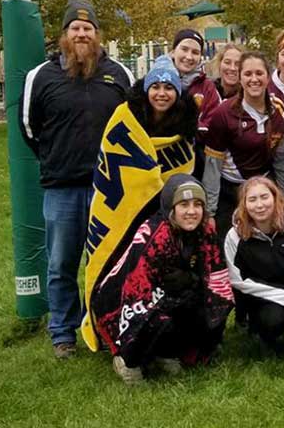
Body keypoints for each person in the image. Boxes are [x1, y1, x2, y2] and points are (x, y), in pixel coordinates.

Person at [20, 0, 134, 358]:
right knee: (61, 264)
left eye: (88, 28)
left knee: (108, 262)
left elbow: (133, 124)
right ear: (64, 35)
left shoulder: (119, 74)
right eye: (75, 28)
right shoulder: (40, 76)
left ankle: (102, 326)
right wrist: (57, 158)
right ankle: (63, 333)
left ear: (97, 35)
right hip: (62, 188)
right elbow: (29, 128)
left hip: (109, 189)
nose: (81, 33)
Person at [81, 59, 200, 351]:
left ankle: (156, 335)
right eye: (155, 86)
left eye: (169, 87)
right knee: (115, 266)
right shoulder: (125, 117)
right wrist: (143, 183)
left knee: (154, 273)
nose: (161, 93)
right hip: (122, 208)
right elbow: (113, 160)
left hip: (163, 215)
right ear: (146, 89)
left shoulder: (184, 125)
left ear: (177, 92)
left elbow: (186, 171)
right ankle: (108, 329)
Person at [92, 175, 234, 385]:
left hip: (171, 294)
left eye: (197, 204)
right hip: (120, 302)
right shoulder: (155, 234)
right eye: (184, 205)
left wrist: (195, 282)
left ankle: (167, 351)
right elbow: (134, 293)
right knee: (155, 318)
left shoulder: (205, 230)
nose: (191, 211)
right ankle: (127, 360)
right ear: (171, 207)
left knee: (209, 304)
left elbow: (217, 278)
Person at [202, 52, 284, 241]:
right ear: (240, 78)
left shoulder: (278, 108)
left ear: (268, 76)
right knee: (231, 243)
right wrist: (210, 212)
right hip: (231, 190)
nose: (254, 79)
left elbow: (280, 157)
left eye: (259, 73)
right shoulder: (223, 113)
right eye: (248, 74)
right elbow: (212, 167)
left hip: (264, 187)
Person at [224, 176, 284, 351]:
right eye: (252, 199)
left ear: (275, 197)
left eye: (264, 197)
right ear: (244, 204)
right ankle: (262, 334)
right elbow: (238, 280)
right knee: (273, 321)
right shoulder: (234, 235)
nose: (259, 205)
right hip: (266, 297)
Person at [159, 28, 221, 127]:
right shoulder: (155, 81)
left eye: (195, 52)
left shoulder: (207, 88)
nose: (189, 57)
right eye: (184, 49)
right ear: (173, 52)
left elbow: (215, 124)